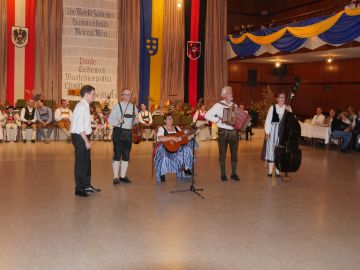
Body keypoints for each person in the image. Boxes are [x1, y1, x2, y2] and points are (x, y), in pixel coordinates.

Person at [70, 85, 101, 197]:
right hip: (80, 137)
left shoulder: (85, 105)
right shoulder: (81, 107)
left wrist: (95, 124)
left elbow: (84, 123)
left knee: (86, 163)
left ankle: (86, 185)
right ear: (87, 94)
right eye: (93, 94)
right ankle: (79, 189)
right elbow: (79, 127)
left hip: (83, 136)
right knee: (80, 164)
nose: (94, 96)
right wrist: (86, 142)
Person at [205, 86, 240, 181]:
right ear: (224, 95)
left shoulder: (235, 106)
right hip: (223, 132)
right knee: (222, 154)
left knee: (235, 154)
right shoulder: (218, 105)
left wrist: (243, 123)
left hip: (234, 133)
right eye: (229, 92)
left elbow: (237, 119)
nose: (231, 94)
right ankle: (223, 174)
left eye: (231, 92)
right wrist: (218, 120)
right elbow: (207, 115)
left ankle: (233, 173)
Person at [108, 88, 138, 185]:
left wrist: (136, 121)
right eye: (126, 94)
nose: (128, 96)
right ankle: (115, 177)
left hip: (129, 133)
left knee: (126, 155)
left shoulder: (134, 107)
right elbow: (110, 120)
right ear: (122, 96)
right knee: (117, 154)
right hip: (118, 132)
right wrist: (118, 121)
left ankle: (123, 176)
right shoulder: (117, 106)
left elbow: (134, 122)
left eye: (129, 94)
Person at [154, 113, 194, 182]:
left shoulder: (177, 128)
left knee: (187, 149)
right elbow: (160, 138)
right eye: (168, 119)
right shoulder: (162, 128)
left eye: (171, 119)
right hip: (165, 149)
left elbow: (183, 138)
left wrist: (191, 135)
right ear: (164, 120)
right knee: (162, 154)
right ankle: (162, 173)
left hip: (176, 149)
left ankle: (186, 168)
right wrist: (173, 138)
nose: (170, 120)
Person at [264, 92, 292, 177]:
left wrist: (290, 110)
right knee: (271, 150)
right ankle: (269, 171)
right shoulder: (272, 108)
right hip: (273, 131)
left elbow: (290, 120)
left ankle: (277, 171)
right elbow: (268, 121)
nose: (282, 99)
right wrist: (267, 133)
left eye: (284, 97)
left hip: (282, 132)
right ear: (277, 99)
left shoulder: (287, 108)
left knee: (280, 151)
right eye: (281, 97)